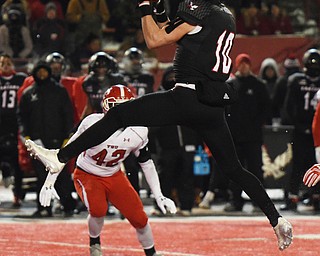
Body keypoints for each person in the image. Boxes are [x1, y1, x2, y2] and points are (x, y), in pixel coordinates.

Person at [24, 0, 292, 251]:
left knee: (118, 116)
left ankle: (60, 157)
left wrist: (144, 8)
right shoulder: (224, 13)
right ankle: (277, 219)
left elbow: (154, 40)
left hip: (186, 96)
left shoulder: (198, 11)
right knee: (235, 168)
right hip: (213, 105)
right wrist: (161, 15)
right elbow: (175, 31)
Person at [28, 85, 176, 256]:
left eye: (124, 106)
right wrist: (49, 183)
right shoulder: (92, 123)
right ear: (105, 106)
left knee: (140, 218)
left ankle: (151, 253)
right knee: (98, 210)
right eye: (115, 106)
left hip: (114, 174)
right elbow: (63, 155)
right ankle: (95, 243)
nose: (120, 112)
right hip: (87, 173)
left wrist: (159, 195)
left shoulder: (140, 130)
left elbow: (146, 162)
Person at [18, 61, 76, 217]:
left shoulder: (59, 91)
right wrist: (27, 136)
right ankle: (44, 207)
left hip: (57, 140)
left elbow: (67, 115)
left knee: (62, 176)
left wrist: (67, 136)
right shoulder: (28, 93)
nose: (42, 75)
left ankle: (68, 205)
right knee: (41, 176)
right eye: (40, 72)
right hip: (37, 142)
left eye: (45, 71)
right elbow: (22, 117)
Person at [224, 53, 271, 212]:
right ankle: (235, 201)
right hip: (235, 137)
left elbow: (266, 108)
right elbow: (224, 109)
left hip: (253, 137)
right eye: (241, 64)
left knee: (256, 170)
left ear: (250, 66)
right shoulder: (230, 85)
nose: (243, 66)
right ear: (237, 65)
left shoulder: (259, 85)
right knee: (235, 170)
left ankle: (260, 203)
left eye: (246, 63)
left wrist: (257, 124)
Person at [280, 48, 320, 212]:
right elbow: (289, 106)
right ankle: (292, 197)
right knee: (296, 165)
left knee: (316, 166)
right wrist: (297, 125)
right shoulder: (296, 80)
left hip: (317, 132)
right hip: (301, 129)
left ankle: (316, 197)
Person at [0, 54, 27, 207]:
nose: (5, 65)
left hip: (16, 122)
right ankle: (5, 171)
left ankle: (17, 193)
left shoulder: (21, 79)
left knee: (17, 161)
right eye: (3, 62)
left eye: (8, 62)